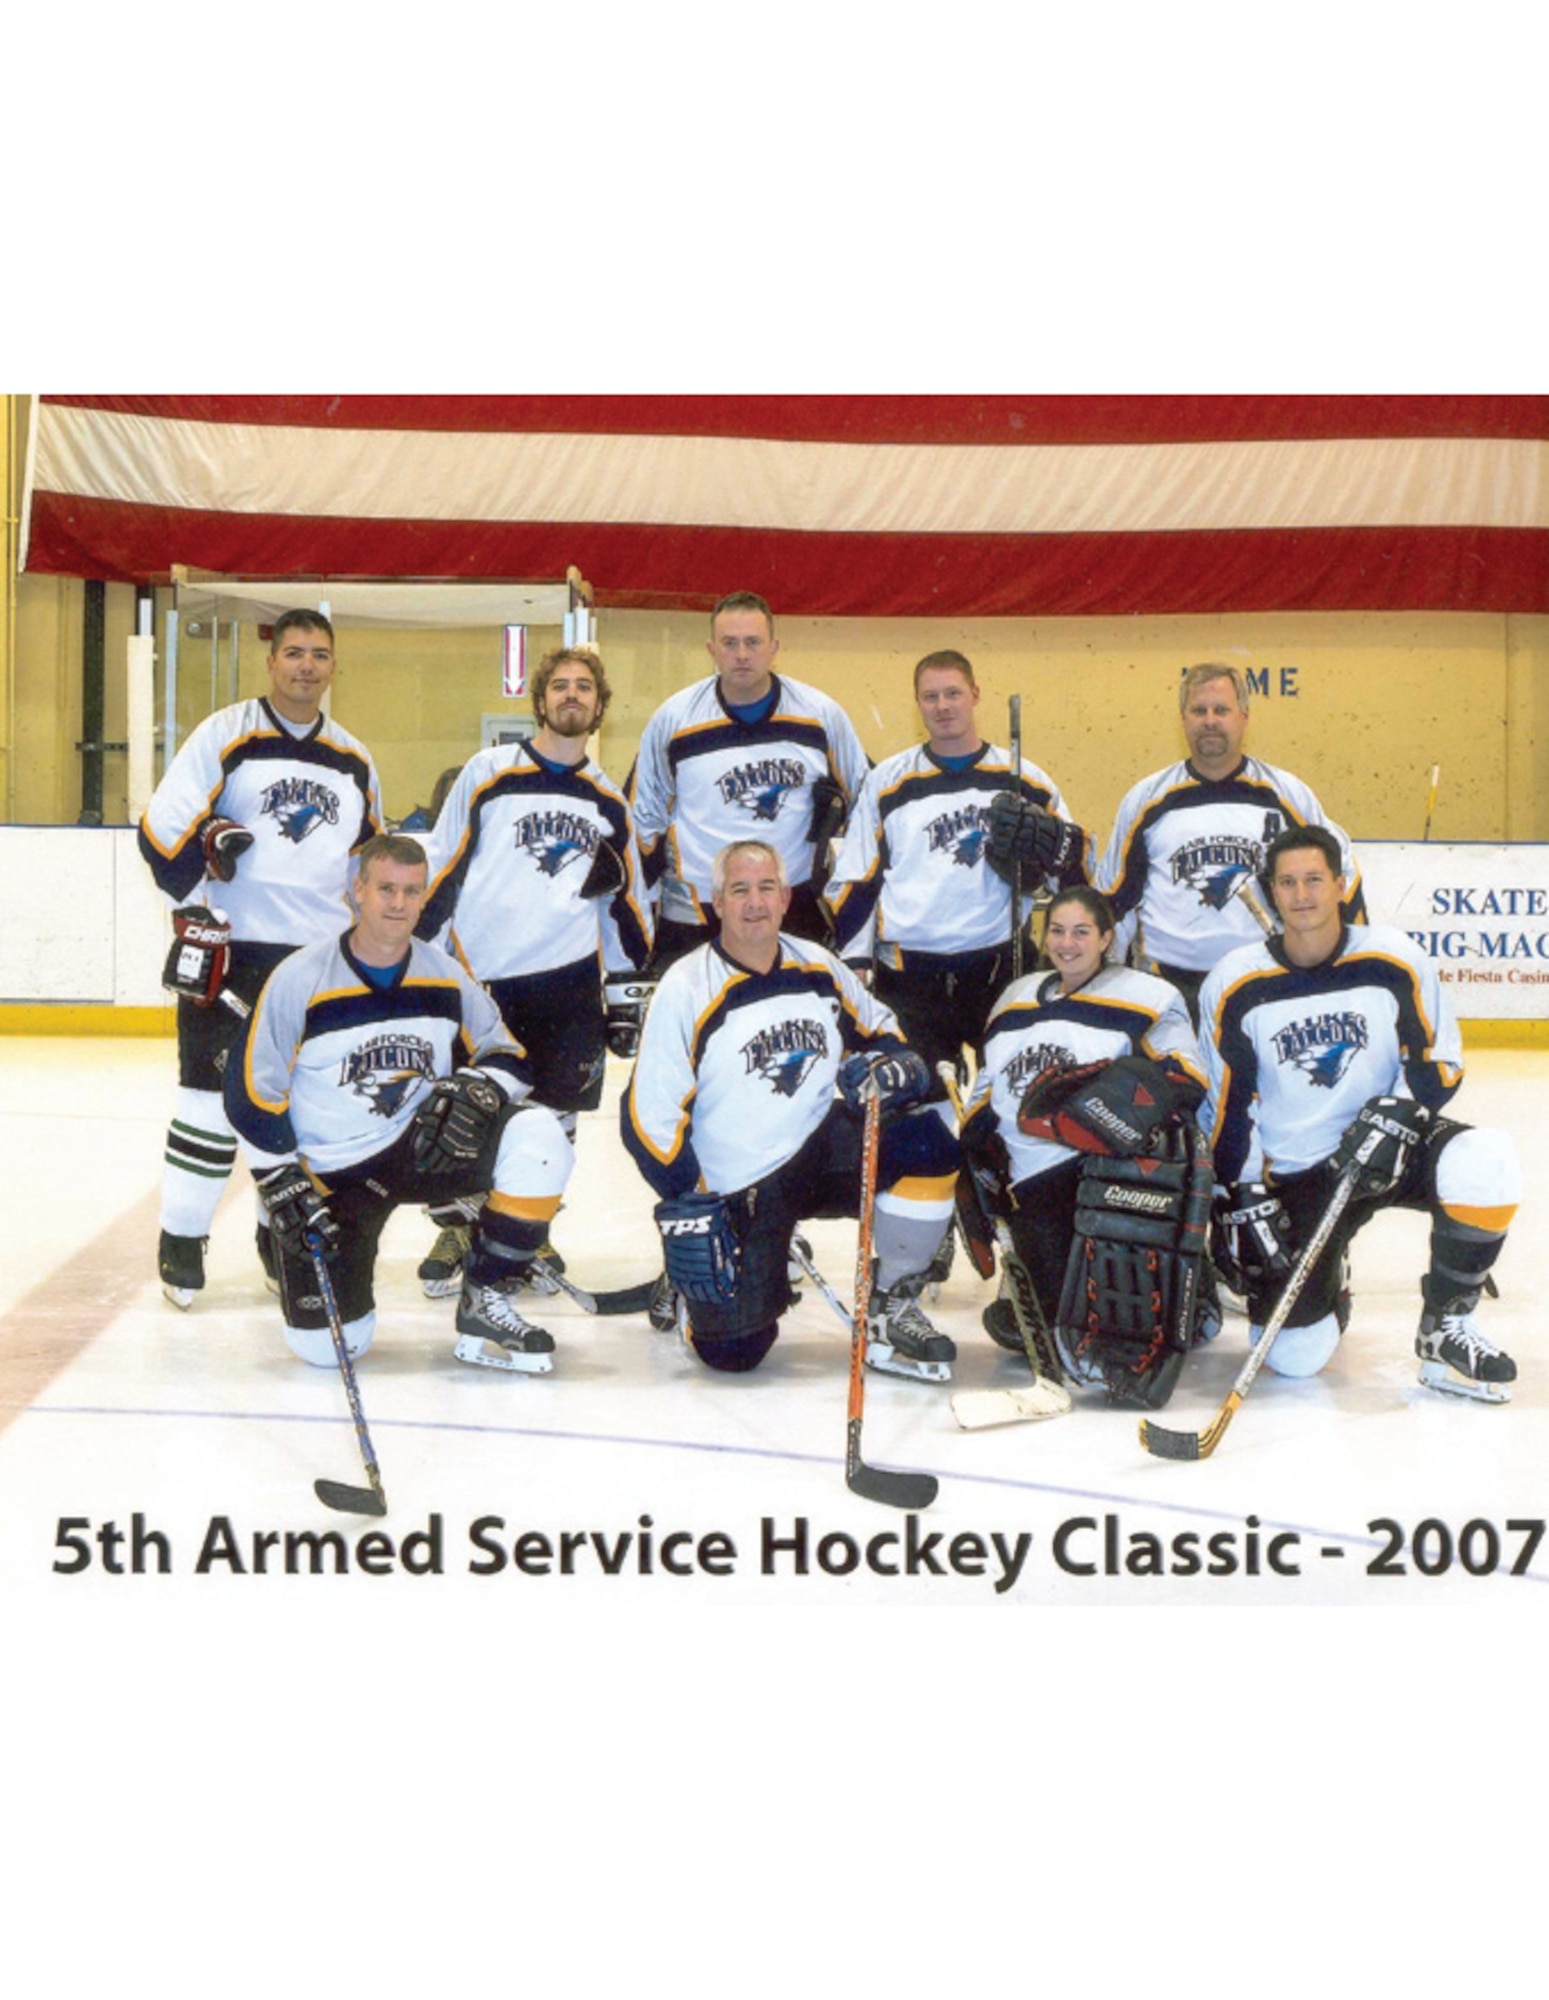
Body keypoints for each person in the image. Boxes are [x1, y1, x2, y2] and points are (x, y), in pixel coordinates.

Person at [224, 834, 575, 1373]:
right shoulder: (301, 977)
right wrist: (279, 1179)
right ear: (356, 891)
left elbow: (509, 1055)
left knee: (540, 1136)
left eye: (412, 891)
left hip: (422, 1148)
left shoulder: (444, 973)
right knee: (330, 1349)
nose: (398, 903)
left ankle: (485, 1298)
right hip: (335, 1176)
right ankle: (276, 1233)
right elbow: (250, 1092)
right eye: (385, 888)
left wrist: (483, 1088)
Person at [1197, 824, 1519, 1400]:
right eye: (1288, 882)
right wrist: (1240, 1191)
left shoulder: (1392, 958)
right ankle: (1330, 1285)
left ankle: (1444, 1326)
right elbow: (1226, 1101)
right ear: (1272, 892)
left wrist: (1402, 1112)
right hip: (1302, 1172)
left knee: (1485, 1158)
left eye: (1315, 880)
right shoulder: (1236, 983)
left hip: (1393, 1141)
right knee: (1296, 1358)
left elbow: (1437, 1056)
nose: (1302, 895)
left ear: (1341, 885)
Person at [620, 839, 960, 1378]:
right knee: (735, 1354)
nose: (754, 902)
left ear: (784, 897)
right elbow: (647, 1117)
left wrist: (897, 1066)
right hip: (740, 1179)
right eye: (739, 890)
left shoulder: (818, 965)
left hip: (820, 1145)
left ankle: (892, 1301)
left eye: (765, 888)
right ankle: (688, 1293)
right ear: (716, 901)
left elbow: (882, 1030)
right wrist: (695, 1204)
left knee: (932, 1143)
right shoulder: (685, 987)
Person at [138, 609, 383, 1308]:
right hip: (232, 952)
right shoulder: (225, 735)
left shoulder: (353, 758)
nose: (307, 666)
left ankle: (275, 1235)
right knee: (208, 1101)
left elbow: (366, 862)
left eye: (320, 655)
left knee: (295, 1109)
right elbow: (161, 828)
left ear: (334, 667)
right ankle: (180, 1238)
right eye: (295, 653)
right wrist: (195, 905)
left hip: (315, 963)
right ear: (272, 661)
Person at [413, 647, 651, 1296]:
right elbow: (443, 862)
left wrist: (626, 992)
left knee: (555, 1121)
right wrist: (421, 960)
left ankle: (530, 1225)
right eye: (558, 686)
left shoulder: (607, 801)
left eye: (583, 687)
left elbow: (625, 905)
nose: (570, 695)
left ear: (599, 705)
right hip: (482, 980)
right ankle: (459, 1227)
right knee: (463, 1114)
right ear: (539, 700)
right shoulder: (489, 774)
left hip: (569, 984)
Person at [960, 886, 1209, 1399]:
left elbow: (1188, 1074)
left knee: (1098, 1320)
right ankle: (1037, 1280)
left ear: (1106, 938)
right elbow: (985, 1083)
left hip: (1097, 1169)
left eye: (1081, 932)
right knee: (1059, 1322)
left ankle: (1193, 1293)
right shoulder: (1015, 996)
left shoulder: (1147, 995)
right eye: (1056, 930)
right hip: (1025, 1177)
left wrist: (1107, 1099)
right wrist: (977, 1130)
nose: (1066, 943)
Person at [824, 649, 1090, 1085]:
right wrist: (854, 964)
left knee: (1006, 1097)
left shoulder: (1024, 780)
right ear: (918, 703)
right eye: (930, 697)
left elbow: (1075, 880)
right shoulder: (888, 783)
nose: (943, 706)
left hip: (999, 969)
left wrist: (1056, 854)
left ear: (974, 695)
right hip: (909, 979)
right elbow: (858, 878)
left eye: (953, 693)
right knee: (919, 1103)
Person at [1096, 663, 1365, 1022]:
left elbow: (1339, 875)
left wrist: (1348, 969)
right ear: (1183, 719)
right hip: (1167, 989)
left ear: (1244, 717)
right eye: (1199, 710)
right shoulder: (1146, 800)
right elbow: (1114, 899)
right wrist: (1103, 983)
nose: (1210, 720)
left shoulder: (1287, 796)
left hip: (1263, 985)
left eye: (1221, 710)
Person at [627, 591, 870, 969]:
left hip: (793, 909)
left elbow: (868, 806)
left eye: (753, 642)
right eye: (730, 643)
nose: (742, 654)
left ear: (774, 647)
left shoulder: (821, 716)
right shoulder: (673, 720)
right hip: (696, 914)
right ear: (711, 649)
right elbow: (644, 825)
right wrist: (638, 925)